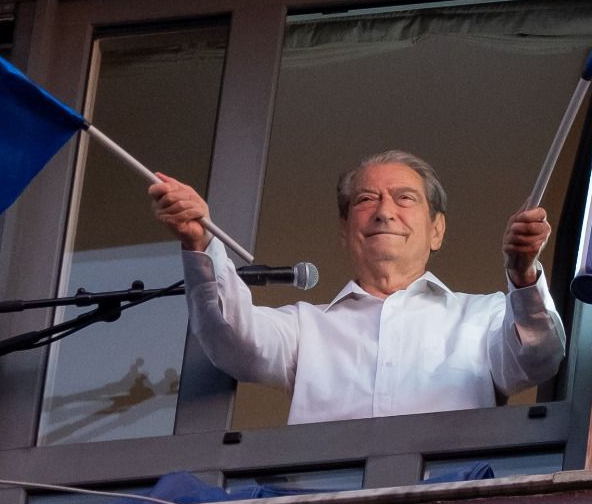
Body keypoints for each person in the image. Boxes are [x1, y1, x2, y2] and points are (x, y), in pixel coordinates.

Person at [148, 150, 565, 423]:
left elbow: (537, 359)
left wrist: (523, 276)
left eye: (405, 198)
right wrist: (199, 241)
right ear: (345, 232)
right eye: (366, 199)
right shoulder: (305, 328)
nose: (384, 212)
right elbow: (231, 340)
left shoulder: (484, 316)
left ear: (437, 230)